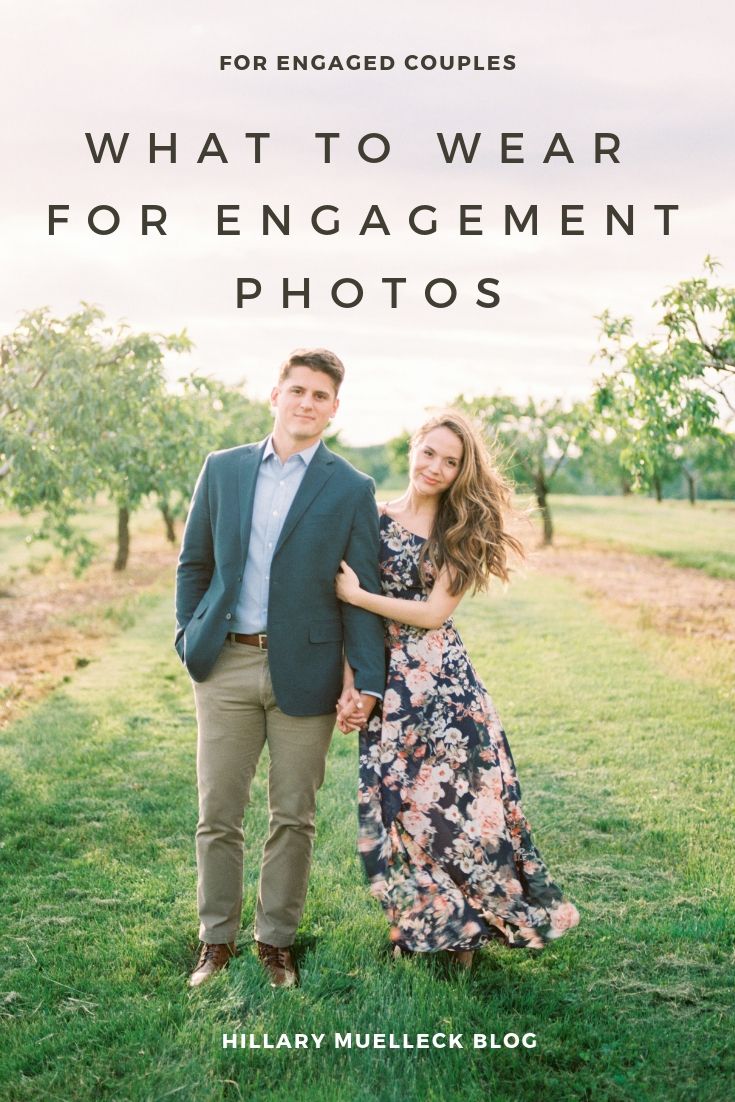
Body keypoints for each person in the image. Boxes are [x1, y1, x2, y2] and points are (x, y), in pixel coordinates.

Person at [335, 410, 579, 967]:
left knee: (456, 808)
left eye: (451, 462)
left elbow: (433, 613)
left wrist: (358, 597)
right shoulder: (368, 517)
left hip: (443, 689)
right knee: (396, 803)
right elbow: (347, 620)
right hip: (385, 683)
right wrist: (351, 683)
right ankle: (431, 925)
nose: (436, 468)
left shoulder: (460, 531)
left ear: (462, 471)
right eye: (430, 453)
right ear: (412, 446)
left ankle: (463, 936)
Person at [175, 348, 385, 988]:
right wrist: (192, 638)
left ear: (334, 410)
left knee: (294, 814)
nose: (307, 403)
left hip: (309, 671)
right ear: (276, 394)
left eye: (321, 396)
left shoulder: (351, 488)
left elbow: (360, 591)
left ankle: (276, 943)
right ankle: (216, 940)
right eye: (298, 390)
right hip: (227, 664)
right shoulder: (224, 470)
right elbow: (194, 563)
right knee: (219, 811)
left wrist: (366, 680)